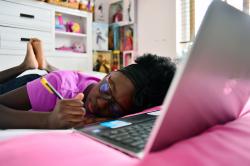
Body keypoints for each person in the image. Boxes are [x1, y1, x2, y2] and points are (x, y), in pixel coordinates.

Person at [0, 39, 176, 129]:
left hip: (65, 79)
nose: (100, 103)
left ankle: (46, 65)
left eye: (114, 108)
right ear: (111, 72)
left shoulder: (124, 107)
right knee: (55, 78)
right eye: (107, 88)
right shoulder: (58, 86)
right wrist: (48, 120)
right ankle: (25, 66)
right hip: (30, 83)